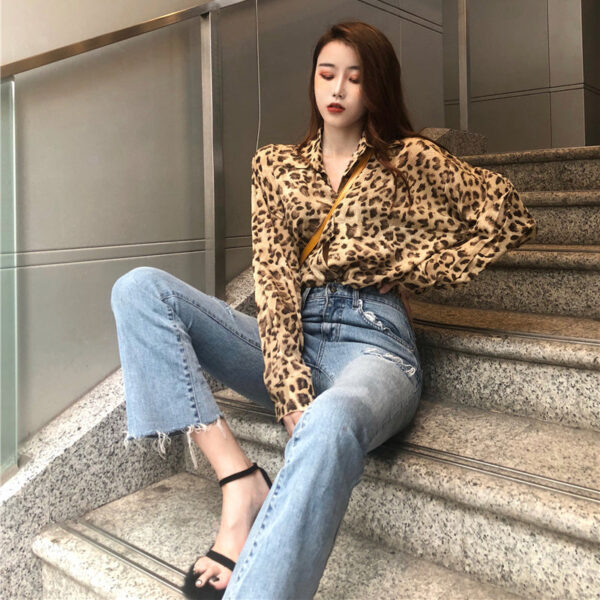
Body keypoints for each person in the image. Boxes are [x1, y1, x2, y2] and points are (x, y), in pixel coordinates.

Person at [110, 21, 536, 599]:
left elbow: (506, 211)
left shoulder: (410, 159)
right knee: (139, 290)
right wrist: (288, 387)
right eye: (327, 73)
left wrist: (420, 268)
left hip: (375, 344)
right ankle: (239, 480)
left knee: (330, 421)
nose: (337, 89)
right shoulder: (276, 165)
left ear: (376, 87)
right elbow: (274, 278)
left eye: (355, 78)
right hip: (295, 333)